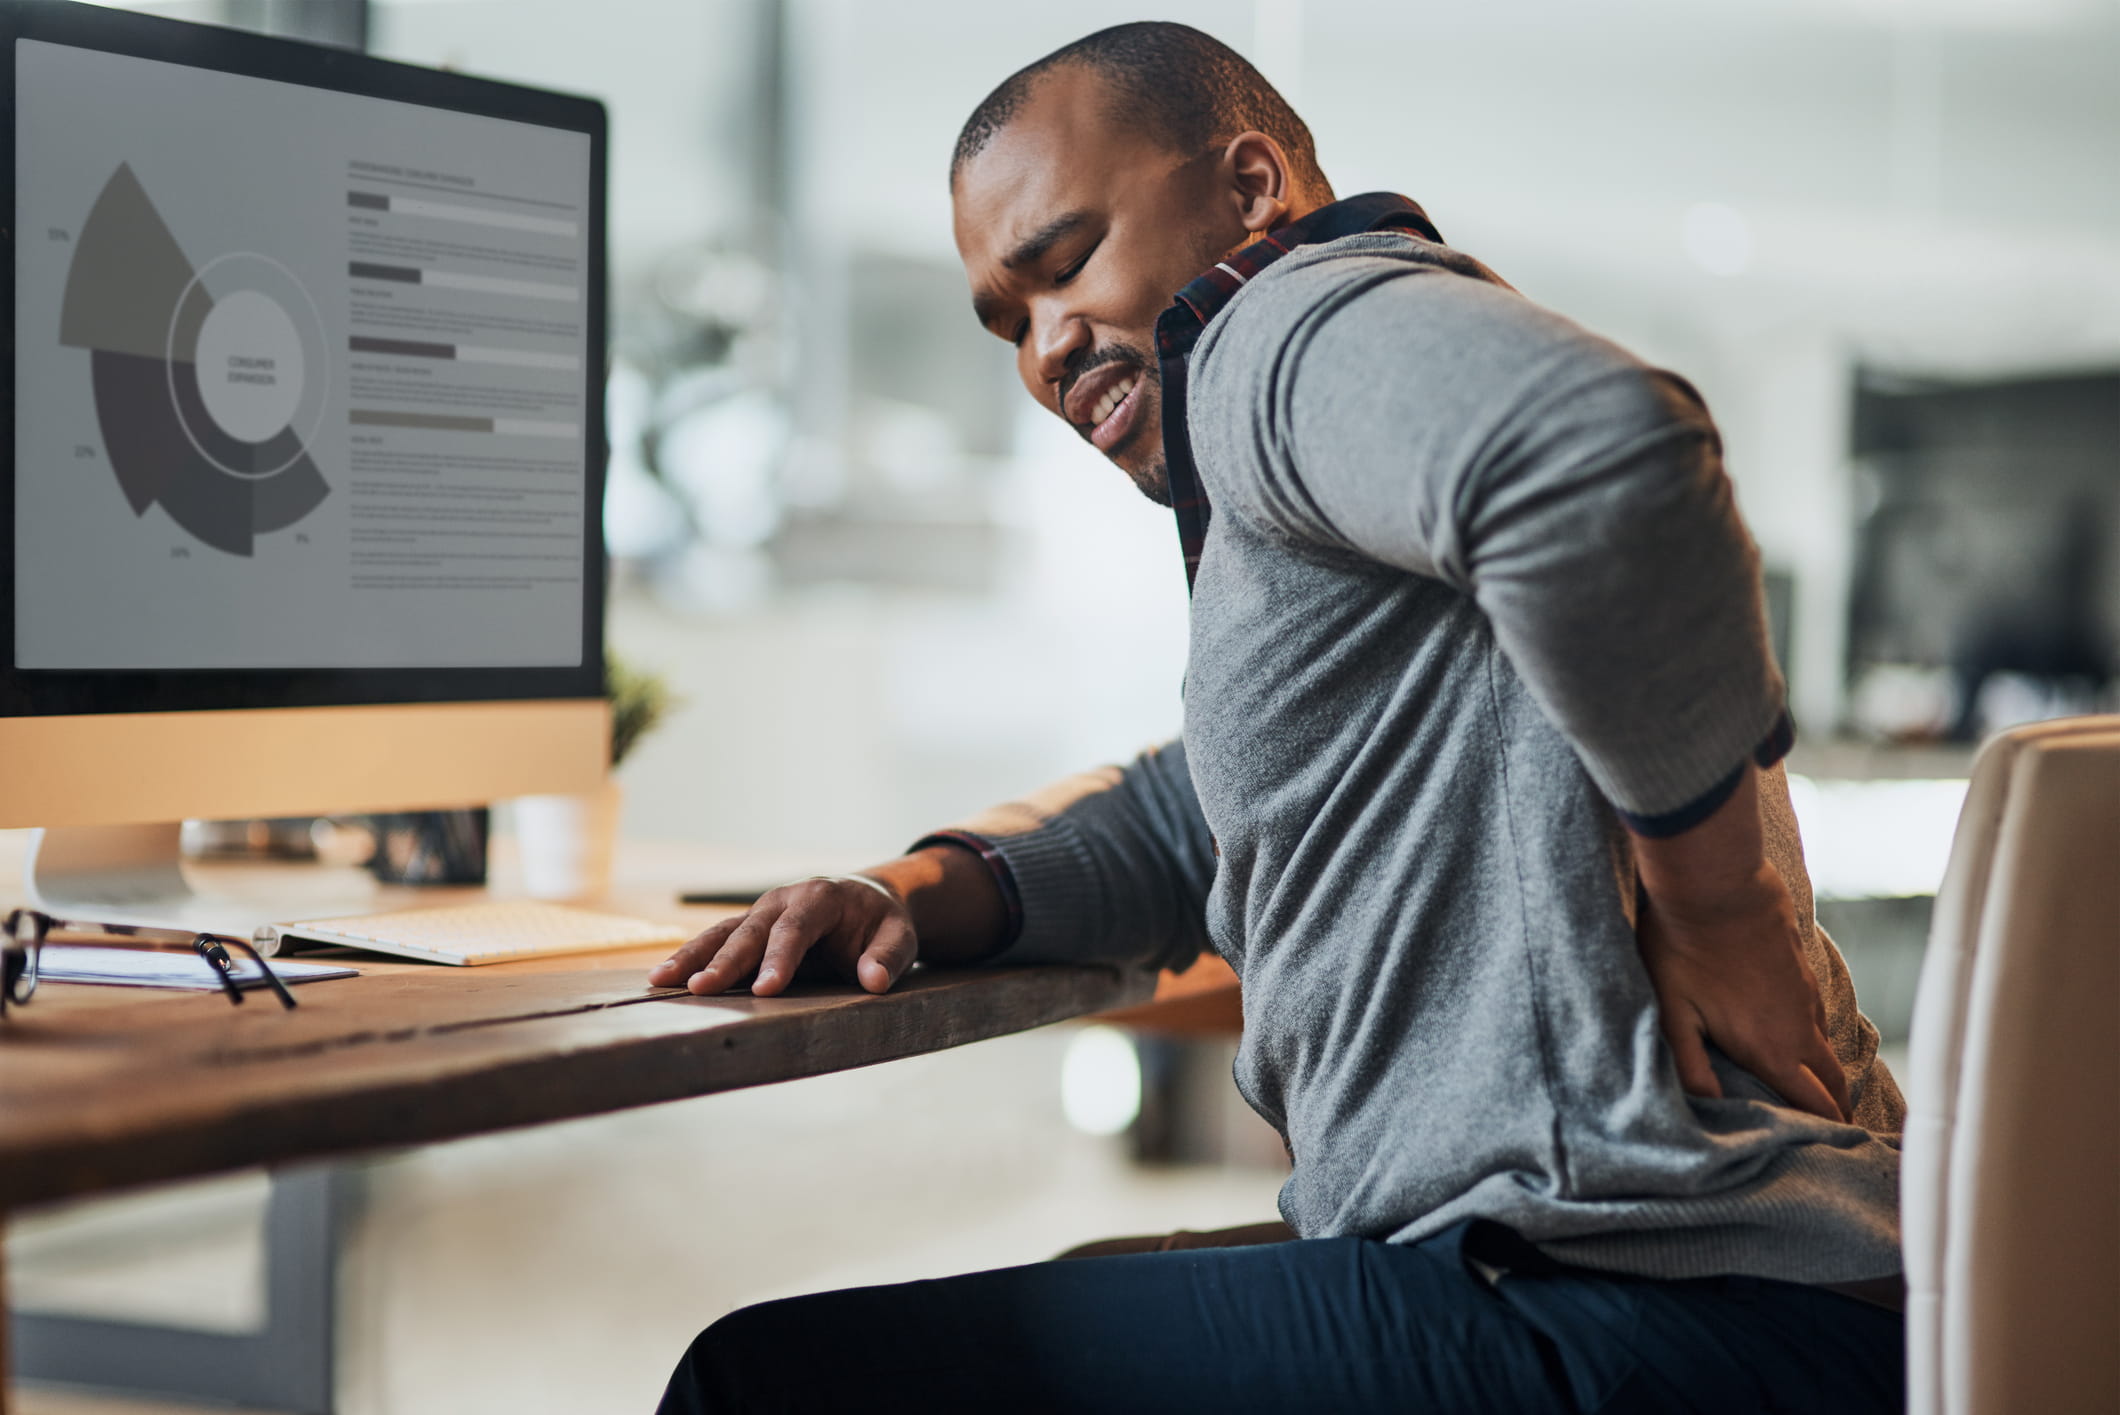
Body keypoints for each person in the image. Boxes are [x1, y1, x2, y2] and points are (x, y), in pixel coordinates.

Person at [651, 21, 1906, 1414]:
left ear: (1251, 191)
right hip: (1714, 1287)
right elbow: (1223, 806)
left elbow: (1606, 457)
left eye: (1065, 264)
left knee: (763, 1389)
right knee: (1086, 1288)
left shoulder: (1269, 331)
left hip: (1649, 1295)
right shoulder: (1312, 477)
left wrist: (1723, 910)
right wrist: (917, 891)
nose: (1048, 348)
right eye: (1006, 322)